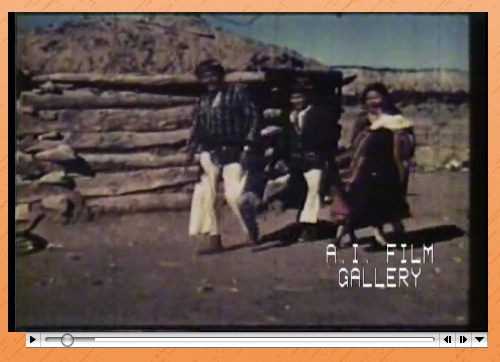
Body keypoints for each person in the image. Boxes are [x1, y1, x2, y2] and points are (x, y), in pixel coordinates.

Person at [186, 59, 263, 255]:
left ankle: (250, 230)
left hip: (234, 150)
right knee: (208, 196)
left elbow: (254, 118)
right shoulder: (203, 101)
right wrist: (192, 150)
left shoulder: (236, 95)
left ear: (221, 76)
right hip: (209, 151)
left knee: (234, 195)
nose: (210, 80)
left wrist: (249, 145)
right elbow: (197, 126)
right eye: (205, 76)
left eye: (213, 75)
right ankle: (214, 238)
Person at [332, 82, 415, 246]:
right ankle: (344, 233)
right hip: (362, 163)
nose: (374, 101)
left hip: (387, 165)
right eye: (369, 98)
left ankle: (393, 231)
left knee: (389, 197)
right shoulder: (363, 119)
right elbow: (356, 142)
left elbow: (406, 141)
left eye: (377, 96)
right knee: (352, 196)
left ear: (385, 97)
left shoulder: (395, 117)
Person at [280, 81, 341, 242]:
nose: (297, 101)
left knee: (314, 190)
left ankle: (308, 227)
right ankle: (302, 221)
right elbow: (286, 139)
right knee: (299, 190)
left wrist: (324, 154)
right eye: (293, 98)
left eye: (300, 97)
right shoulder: (289, 115)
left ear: (307, 97)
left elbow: (331, 135)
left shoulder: (319, 113)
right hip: (296, 161)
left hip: (316, 159)